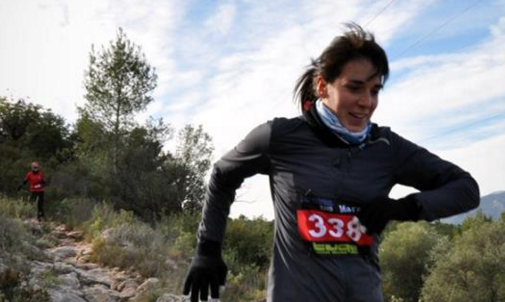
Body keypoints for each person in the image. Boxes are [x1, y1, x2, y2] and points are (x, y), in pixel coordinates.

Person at [182, 23, 480, 302]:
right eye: (355, 87)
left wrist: (404, 207)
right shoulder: (279, 138)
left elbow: (466, 189)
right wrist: (207, 248)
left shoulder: (387, 148)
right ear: (324, 86)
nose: (367, 102)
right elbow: (223, 174)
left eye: (374, 90)